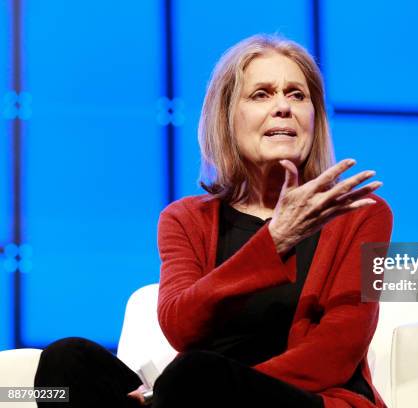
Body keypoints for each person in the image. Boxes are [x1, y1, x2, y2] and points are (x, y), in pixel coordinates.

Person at [34, 34, 392, 408]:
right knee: (66, 363)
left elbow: (339, 349)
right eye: (262, 94)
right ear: (227, 117)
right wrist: (275, 240)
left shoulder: (364, 213)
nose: (283, 107)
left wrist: (198, 389)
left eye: (297, 95)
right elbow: (179, 324)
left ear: (314, 117)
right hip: (189, 395)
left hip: (301, 398)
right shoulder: (185, 219)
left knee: (195, 377)